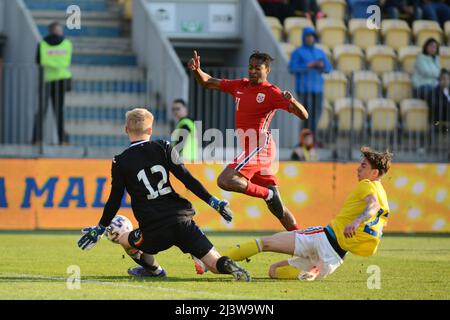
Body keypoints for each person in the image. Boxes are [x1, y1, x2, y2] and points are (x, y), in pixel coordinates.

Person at [77, 108, 251, 282]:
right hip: (181, 220)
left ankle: (155, 271)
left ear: (126, 130)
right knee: (214, 263)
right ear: (150, 130)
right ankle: (227, 264)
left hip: (153, 229)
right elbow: (187, 179)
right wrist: (214, 202)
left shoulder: (120, 161)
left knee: (124, 240)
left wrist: (100, 228)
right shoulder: (164, 147)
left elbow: (114, 200)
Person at [221, 147, 392, 281]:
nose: (358, 169)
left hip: (323, 239)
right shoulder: (384, 197)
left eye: (363, 166)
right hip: (334, 259)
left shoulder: (368, 184)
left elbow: (372, 205)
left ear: (375, 173)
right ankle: (314, 270)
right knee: (274, 271)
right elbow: (375, 227)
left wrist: (356, 222)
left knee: (264, 243)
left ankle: (214, 262)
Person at [188, 50, 309, 232]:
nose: (252, 71)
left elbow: (304, 115)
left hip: (260, 146)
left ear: (267, 70)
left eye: (257, 68)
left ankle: (267, 194)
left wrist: (293, 101)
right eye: (250, 67)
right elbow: (207, 82)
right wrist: (197, 70)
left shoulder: (272, 92)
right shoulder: (240, 85)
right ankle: (303, 240)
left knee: (225, 180)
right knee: (278, 208)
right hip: (251, 148)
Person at [33, 22, 72, 145]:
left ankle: (36, 139)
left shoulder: (42, 44)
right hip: (61, 80)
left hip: (46, 80)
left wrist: (49, 63)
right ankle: (62, 140)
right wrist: (57, 64)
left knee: (41, 111)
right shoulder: (67, 44)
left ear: (50, 31)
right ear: (59, 30)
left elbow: (38, 61)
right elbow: (66, 62)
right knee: (59, 112)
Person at [289, 27, 332, 134]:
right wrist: (309, 65)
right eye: (308, 36)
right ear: (304, 37)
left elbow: (328, 68)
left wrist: (321, 66)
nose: (310, 38)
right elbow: (292, 68)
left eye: (312, 36)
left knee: (316, 115)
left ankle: (312, 139)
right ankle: (303, 140)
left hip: (317, 89)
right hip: (303, 89)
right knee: (304, 116)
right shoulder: (297, 52)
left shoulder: (320, 52)